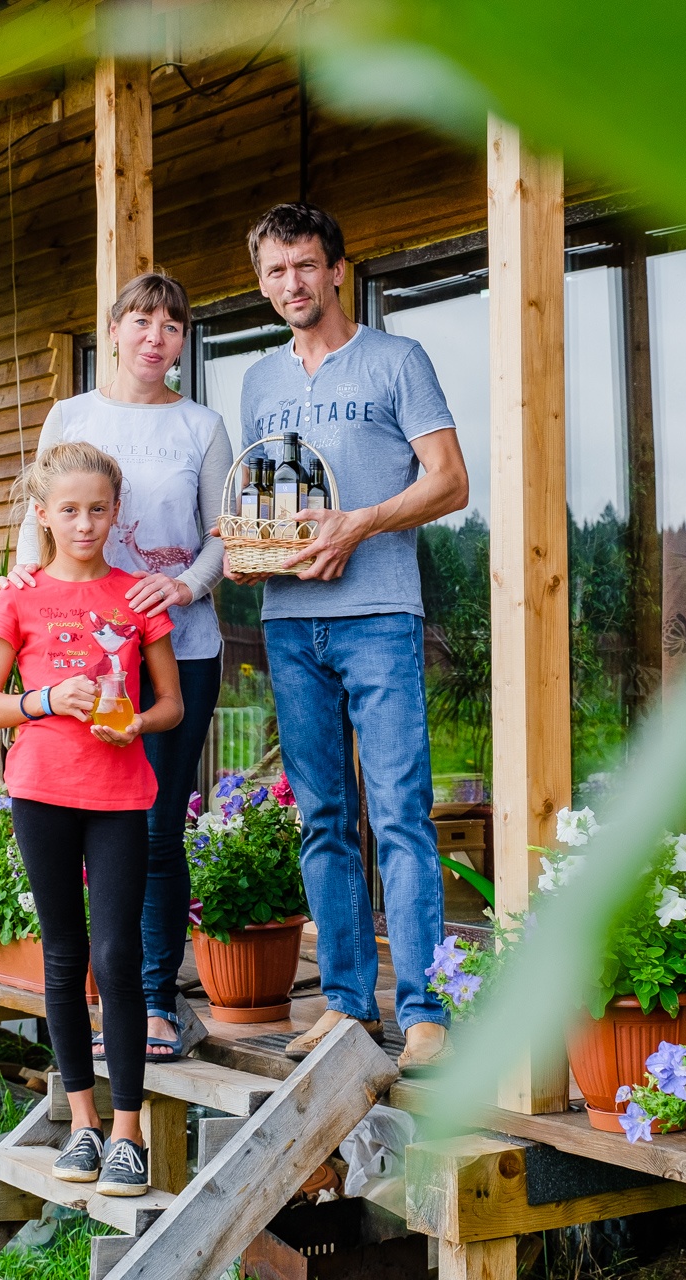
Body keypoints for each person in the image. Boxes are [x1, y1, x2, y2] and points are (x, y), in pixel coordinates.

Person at [231, 203, 469, 1075]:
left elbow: (449, 483)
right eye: (274, 272)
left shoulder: (398, 361)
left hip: (379, 618)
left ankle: (424, 1010)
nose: (291, 284)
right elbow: (267, 508)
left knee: (402, 814)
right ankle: (342, 1005)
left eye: (305, 266)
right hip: (289, 626)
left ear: (337, 269)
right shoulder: (258, 382)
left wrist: (359, 525)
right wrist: (251, 557)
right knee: (324, 818)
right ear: (262, 284)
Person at [2, 271, 232, 1061]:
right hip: (76, 655)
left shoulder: (201, 425)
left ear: (182, 339)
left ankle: (156, 1001)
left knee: (157, 827)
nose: (155, 335)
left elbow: (225, 532)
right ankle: (95, 998)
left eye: (171, 323)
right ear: (114, 329)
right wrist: (19, 584)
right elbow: (39, 516)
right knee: (80, 831)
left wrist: (188, 583)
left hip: (176, 647)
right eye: (141, 320)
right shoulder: (73, 415)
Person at [0, 441, 184, 1195]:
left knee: (116, 957)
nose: (85, 522)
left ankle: (128, 1133)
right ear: (44, 515)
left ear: (115, 512)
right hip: (40, 793)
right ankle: (83, 1125)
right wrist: (46, 701)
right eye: (69, 510)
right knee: (63, 960)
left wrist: (138, 726)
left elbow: (172, 705)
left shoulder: (136, 597)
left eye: (98, 509)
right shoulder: (19, 596)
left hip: (120, 795)